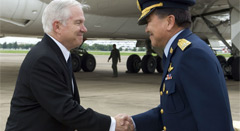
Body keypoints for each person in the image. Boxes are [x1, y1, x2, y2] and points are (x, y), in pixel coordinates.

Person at [5, 0, 130, 131]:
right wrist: (112, 124)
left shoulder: (58, 54)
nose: (84, 29)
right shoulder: (44, 59)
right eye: (78, 23)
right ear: (57, 26)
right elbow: (66, 110)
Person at [125, 0, 234, 130]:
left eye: (148, 21)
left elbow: (214, 124)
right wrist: (132, 123)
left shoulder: (192, 55)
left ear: (169, 22)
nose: (146, 29)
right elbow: (174, 112)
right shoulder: (178, 53)